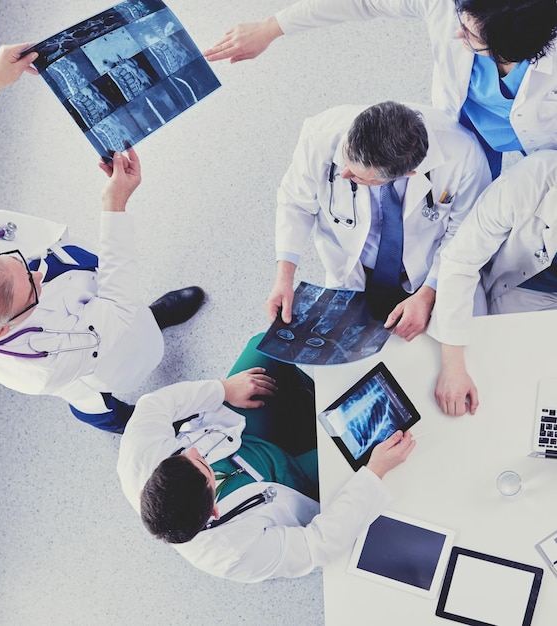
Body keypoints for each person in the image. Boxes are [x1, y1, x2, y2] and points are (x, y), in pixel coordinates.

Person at [117, 334, 415, 582]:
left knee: (268, 344)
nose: (194, 451)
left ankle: (309, 392)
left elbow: (154, 405)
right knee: (369, 442)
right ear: (214, 512)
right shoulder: (231, 555)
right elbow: (319, 545)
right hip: (287, 478)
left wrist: (223, 389)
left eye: (183, 455)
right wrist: (374, 472)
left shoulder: (137, 457)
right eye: (203, 467)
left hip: (236, 434)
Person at [204, 0, 557, 178]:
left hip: (547, 133)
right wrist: (271, 27)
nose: (455, 34)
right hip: (467, 119)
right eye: (460, 22)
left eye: (471, 38)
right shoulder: (452, 5)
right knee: (466, 194)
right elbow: (363, 2)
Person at [0, 147, 204, 433]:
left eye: (20, 262)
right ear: (0, 331)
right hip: (90, 365)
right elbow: (117, 308)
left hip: (91, 291)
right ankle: (137, 425)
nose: (39, 273)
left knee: (128, 312)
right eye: (31, 292)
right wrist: (113, 206)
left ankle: (154, 316)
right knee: (99, 404)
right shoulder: (41, 365)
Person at [266, 101, 491, 342]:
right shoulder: (320, 134)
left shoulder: (463, 155)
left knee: (447, 347)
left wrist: (429, 292)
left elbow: (463, 234)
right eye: (345, 161)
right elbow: (295, 203)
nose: (343, 174)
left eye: (358, 176)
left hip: (430, 269)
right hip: (353, 267)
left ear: (407, 175)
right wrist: (284, 279)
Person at [428, 150, 557, 416]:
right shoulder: (525, 185)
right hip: (528, 285)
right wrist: (453, 365)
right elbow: (460, 262)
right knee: (501, 374)